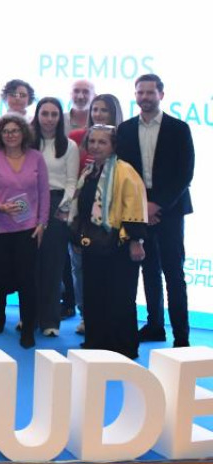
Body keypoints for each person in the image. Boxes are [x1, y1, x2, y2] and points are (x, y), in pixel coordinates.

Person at [117, 73, 194, 348]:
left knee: (173, 273)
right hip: (138, 210)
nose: (145, 97)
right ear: (135, 95)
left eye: (150, 92)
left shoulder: (179, 128)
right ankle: (154, 326)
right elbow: (123, 174)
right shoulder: (124, 130)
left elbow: (185, 174)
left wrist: (156, 204)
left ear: (161, 94)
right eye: (140, 92)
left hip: (169, 210)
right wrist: (140, 207)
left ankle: (181, 336)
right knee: (147, 269)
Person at [72, 125, 148, 359]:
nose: (95, 146)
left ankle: (123, 346)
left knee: (120, 297)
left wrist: (136, 240)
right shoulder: (89, 171)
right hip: (93, 245)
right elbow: (82, 207)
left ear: (113, 146)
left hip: (120, 245)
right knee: (94, 294)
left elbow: (135, 207)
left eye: (102, 142)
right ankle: (96, 341)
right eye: (92, 141)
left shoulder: (126, 172)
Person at [0, 114, 49, 349]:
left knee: (26, 277)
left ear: (24, 133)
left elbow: (43, 193)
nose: (10, 135)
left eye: (15, 131)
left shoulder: (36, 158)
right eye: (6, 131)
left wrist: (42, 223)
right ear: (0, 134)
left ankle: (28, 327)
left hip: (27, 226)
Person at [32, 97, 79, 336]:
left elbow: (72, 181)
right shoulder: (27, 142)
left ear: (60, 118)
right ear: (37, 115)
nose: (49, 119)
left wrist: (63, 207)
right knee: (29, 265)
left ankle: (50, 321)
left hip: (57, 205)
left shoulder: (69, 146)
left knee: (53, 266)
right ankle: (29, 318)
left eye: (54, 114)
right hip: (28, 205)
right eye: (45, 113)